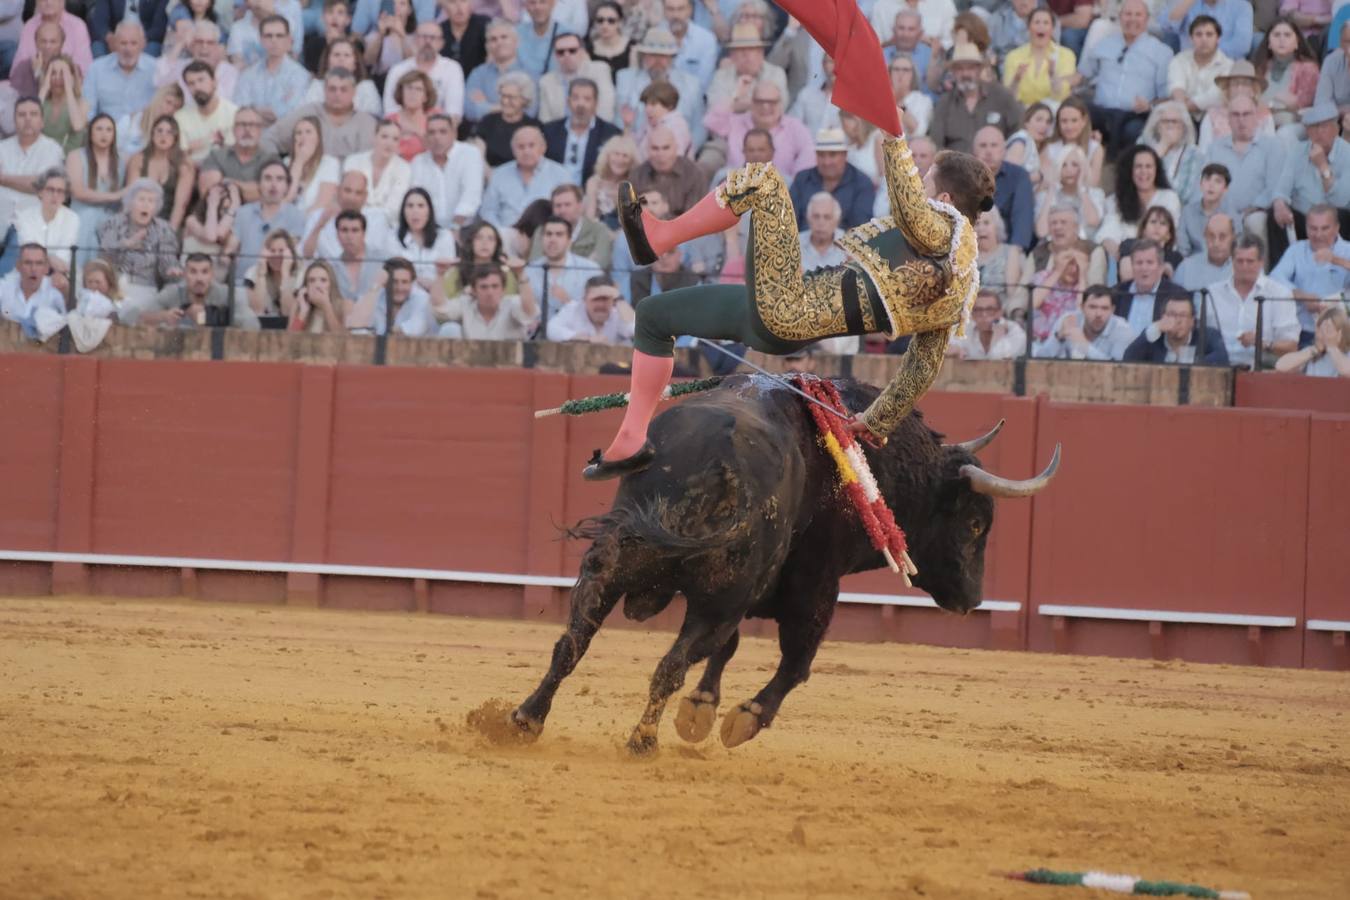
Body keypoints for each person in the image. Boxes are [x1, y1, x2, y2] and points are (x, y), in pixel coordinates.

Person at [589, 134, 994, 479]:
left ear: (944, 199)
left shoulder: (945, 229)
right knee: (654, 316)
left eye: (925, 182)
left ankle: (659, 237)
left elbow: (910, 210)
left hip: (784, 304)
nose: (919, 189)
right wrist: (875, 420)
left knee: (764, 181)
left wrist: (892, 136)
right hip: (776, 320)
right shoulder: (960, 288)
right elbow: (921, 370)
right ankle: (630, 442)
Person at [1072, 0, 1173, 160]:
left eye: (1138, 15)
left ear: (1147, 19)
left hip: (1134, 115)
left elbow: (1166, 96)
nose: (1132, 19)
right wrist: (1058, 81)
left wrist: (1149, 105)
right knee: (1075, 113)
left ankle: (1121, 168)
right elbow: (1082, 74)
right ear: (1120, 18)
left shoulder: (1161, 52)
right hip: (1102, 111)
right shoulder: (1104, 44)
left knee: (1134, 130)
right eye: (1127, 14)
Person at [1202, 235, 1300, 367]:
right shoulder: (1213, 293)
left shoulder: (1280, 293)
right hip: (1219, 367)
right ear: (1231, 260)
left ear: (1261, 262)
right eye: (1240, 261)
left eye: (1250, 261)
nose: (1244, 266)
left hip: (1263, 369)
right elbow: (1202, 337)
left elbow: (1291, 345)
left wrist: (1261, 343)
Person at [1198, 94, 1285, 240]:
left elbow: (1274, 187)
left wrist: (1252, 208)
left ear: (1256, 117)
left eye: (1246, 114)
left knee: (1256, 221)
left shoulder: (1273, 146)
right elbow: (1203, 184)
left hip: (1256, 212)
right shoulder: (1215, 148)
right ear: (1228, 119)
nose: (1241, 120)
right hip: (1219, 211)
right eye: (1235, 115)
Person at [1270, 103, 1350, 257]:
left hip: (1335, 220)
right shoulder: (1297, 151)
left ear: (1336, 129)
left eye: (1324, 127)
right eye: (1314, 127)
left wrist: (1323, 166)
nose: (1319, 132)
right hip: (1303, 217)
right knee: (1275, 215)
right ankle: (1279, 273)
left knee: (1340, 215)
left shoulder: (1347, 154)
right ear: (1307, 131)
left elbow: (1340, 200)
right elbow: (1282, 187)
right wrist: (1279, 203)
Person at [0, 97, 65, 271]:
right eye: (22, 114)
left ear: (42, 121)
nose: (27, 119)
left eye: (33, 114)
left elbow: (40, 184)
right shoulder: (2, 148)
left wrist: (3, 178)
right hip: (1, 217)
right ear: (14, 120)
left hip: (29, 226)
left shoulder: (52, 149)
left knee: (7, 271)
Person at [1269, 204, 1350, 345]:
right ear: (1306, 228)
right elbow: (1275, 278)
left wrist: (1335, 260)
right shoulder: (1296, 250)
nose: (1318, 235)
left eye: (1325, 228)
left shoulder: (1347, 250)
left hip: (1343, 331)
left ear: (1337, 228)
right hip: (1305, 331)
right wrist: (1302, 295)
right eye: (1313, 228)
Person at [95, 179, 182, 305]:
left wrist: (171, 269)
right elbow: (104, 256)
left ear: (156, 207)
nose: (146, 205)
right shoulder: (113, 223)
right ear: (130, 203)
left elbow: (167, 260)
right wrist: (127, 244)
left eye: (151, 201)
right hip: (114, 286)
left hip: (145, 288)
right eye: (141, 199)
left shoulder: (163, 229)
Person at [704, 80, 815, 178]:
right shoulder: (736, 122)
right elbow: (710, 122)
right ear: (751, 103)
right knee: (721, 176)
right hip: (737, 187)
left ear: (780, 103)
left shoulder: (794, 127)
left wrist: (796, 181)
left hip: (780, 188)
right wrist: (735, 95)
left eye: (772, 102)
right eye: (760, 102)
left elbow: (808, 153)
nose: (765, 107)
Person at [123, 252, 259, 329]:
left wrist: (213, 317)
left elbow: (253, 324)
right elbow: (130, 317)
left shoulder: (227, 294)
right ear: (184, 274)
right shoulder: (173, 292)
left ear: (212, 274)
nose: (199, 278)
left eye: (204, 272)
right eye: (193, 272)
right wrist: (163, 316)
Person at [929, 43, 1023, 154]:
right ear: (953, 72)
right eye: (960, 69)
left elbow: (1018, 132)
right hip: (957, 167)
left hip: (994, 167)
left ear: (979, 70)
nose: (965, 74)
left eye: (970, 68)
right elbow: (936, 144)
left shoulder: (1001, 96)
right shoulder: (945, 103)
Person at [266, 68, 378, 161]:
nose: (337, 94)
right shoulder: (307, 113)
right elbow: (269, 139)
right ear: (324, 90)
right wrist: (277, 169)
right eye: (332, 89)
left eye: (343, 90)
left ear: (354, 92)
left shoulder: (367, 123)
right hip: (308, 181)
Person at [227, 160, 308, 283]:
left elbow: (291, 253)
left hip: (278, 285)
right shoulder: (244, 213)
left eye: (279, 179)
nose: (273, 184)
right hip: (243, 283)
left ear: (287, 186)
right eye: (268, 178)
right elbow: (230, 249)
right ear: (258, 184)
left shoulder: (296, 215)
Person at [480, 125, 572, 231]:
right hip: (506, 236)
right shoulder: (499, 175)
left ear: (543, 147)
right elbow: (488, 211)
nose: (526, 151)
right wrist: (499, 233)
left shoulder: (561, 174)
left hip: (546, 236)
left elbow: (567, 211)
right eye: (521, 147)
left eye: (531, 145)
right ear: (513, 151)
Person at [1098, 145, 1182, 260]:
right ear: (1129, 171)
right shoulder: (1115, 200)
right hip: (1125, 258)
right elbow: (1107, 234)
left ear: (1156, 170)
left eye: (1148, 166)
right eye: (1138, 166)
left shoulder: (1169, 197)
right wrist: (1119, 255)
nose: (1143, 171)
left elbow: (1169, 235)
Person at [788, 128, 876, 231]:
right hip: (803, 243)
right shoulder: (802, 179)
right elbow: (790, 222)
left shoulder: (861, 183)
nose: (826, 162)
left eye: (832, 155)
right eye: (821, 155)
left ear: (845, 155)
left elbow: (861, 227)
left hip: (844, 244)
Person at [233, 15, 312, 127]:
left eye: (279, 36)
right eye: (268, 36)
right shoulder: (248, 75)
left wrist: (255, 110)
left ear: (289, 40)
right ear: (261, 40)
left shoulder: (300, 76)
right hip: (253, 137)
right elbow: (239, 109)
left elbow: (293, 114)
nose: (274, 40)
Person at [410, 113, 484, 231]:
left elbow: (471, 196)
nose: (437, 137)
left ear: (454, 134)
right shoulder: (418, 162)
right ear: (426, 137)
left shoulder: (470, 154)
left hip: (463, 228)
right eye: (432, 132)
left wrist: (454, 228)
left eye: (443, 132)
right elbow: (416, 199)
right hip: (428, 230)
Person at [67, 114, 126, 260]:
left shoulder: (123, 160)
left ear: (114, 134)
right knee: (88, 218)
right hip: (82, 217)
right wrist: (114, 196)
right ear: (90, 133)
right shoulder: (76, 156)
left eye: (109, 129)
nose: (104, 134)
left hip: (112, 219)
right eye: (99, 129)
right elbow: (78, 192)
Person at [543, 79, 623, 187]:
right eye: (575, 98)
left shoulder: (610, 133)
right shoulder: (550, 131)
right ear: (568, 101)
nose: (581, 104)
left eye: (587, 99)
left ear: (596, 103)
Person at [125, 115, 195, 230]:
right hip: (137, 221)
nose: (163, 136)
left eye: (169, 132)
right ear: (152, 134)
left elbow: (180, 206)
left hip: (168, 222)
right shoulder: (139, 159)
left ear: (175, 137)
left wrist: (169, 233)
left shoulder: (184, 164)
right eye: (159, 131)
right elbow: (130, 197)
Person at [382, 21, 464, 118]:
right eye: (424, 37)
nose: (428, 41)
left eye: (433, 38)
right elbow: (390, 110)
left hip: (437, 129)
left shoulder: (452, 69)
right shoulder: (398, 70)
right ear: (414, 39)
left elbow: (454, 113)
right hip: (402, 128)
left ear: (441, 43)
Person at [973, 125, 1035, 252]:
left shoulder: (1019, 176)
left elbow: (1022, 223)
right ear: (974, 151)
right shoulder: (962, 177)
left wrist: (1013, 256)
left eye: (994, 145)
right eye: (983, 146)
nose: (988, 151)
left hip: (1008, 251)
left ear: (1004, 150)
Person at [1034, 284, 1137, 360]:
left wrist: (1084, 346)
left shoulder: (1123, 330)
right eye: (1093, 307)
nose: (1098, 314)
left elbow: (1117, 371)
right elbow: (1040, 359)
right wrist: (1058, 337)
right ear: (1082, 308)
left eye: (1104, 308)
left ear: (1113, 310)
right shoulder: (1069, 319)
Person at [1253, 16, 1320, 133]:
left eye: (1287, 35)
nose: (1281, 39)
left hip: (1295, 124)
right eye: (1276, 35)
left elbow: (1304, 105)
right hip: (1262, 119)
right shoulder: (1260, 66)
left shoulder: (1308, 68)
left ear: (1297, 42)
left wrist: (1289, 102)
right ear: (1268, 43)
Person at [438, 263, 539, 340]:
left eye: (495, 286)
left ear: (503, 289)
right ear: (473, 290)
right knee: (449, 328)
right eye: (483, 287)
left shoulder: (512, 302)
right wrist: (440, 274)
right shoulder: (465, 303)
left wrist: (521, 274)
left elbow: (529, 312)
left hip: (510, 365)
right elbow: (440, 309)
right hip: (472, 364)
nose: (490, 292)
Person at [83, 21, 157, 124]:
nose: (128, 49)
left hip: (143, 135)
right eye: (123, 43)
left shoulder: (156, 69)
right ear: (114, 44)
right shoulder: (96, 69)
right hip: (108, 136)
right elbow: (88, 112)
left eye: (133, 43)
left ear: (143, 44)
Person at [339, 120, 410, 227]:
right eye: (384, 136)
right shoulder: (353, 161)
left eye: (395, 139)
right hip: (352, 221)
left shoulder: (404, 168)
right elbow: (348, 200)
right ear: (374, 137)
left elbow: (393, 209)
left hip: (387, 226)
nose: (389, 143)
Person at [1123, 293, 1229, 364]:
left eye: (1183, 315)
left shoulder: (1208, 335)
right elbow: (1128, 357)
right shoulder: (1154, 335)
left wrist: (1191, 361)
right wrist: (1155, 328)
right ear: (1163, 317)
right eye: (1172, 314)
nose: (1178, 320)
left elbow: (1222, 356)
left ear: (1192, 321)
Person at [346, 256, 439, 336]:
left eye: (404, 282)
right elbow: (354, 326)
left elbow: (411, 331)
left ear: (412, 283)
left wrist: (375, 334)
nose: (399, 288)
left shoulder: (422, 299)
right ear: (385, 283)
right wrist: (376, 285)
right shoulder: (377, 294)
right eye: (394, 282)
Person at [1002, 8, 1076, 107]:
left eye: (1046, 23)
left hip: (1053, 110)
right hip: (1023, 110)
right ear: (1028, 28)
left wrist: (1053, 75)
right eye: (1037, 22)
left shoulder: (1066, 55)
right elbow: (1009, 98)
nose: (1041, 26)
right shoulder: (1013, 56)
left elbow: (1060, 96)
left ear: (1052, 28)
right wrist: (1016, 80)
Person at [198, 106, 273, 203]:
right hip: (219, 215)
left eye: (253, 124)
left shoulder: (271, 159)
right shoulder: (216, 156)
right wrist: (255, 188)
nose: (247, 129)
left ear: (260, 130)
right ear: (233, 130)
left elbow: (271, 194)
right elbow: (209, 193)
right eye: (241, 124)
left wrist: (228, 183)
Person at [528, 183, 613, 267]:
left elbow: (600, 264)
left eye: (567, 205)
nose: (562, 210)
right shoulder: (542, 230)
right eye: (558, 205)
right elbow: (535, 264)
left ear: (580, 206)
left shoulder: (599, 230)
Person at [537, 31, 615, 123]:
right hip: (559, 133)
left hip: (597, 131)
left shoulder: (599, 70)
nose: (567, 55)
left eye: (572, 50)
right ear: (555, 55)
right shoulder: (546, 81)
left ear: (582, 52)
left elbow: (606, 109)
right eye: (560, 52)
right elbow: (545, 120)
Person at [1167, 15, 1233, 120]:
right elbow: (1177, 89)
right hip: (1183, 118)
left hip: (1213, 121)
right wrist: (1181, 106)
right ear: (1191, 39)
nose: (1204, 39)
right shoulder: (1179, 60)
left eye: (1209, 34)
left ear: (1218, 39)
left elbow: (1214, 97)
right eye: (1198, 34)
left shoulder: (1228, 66)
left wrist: (1183, 106)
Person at [628, 125, 705, 216]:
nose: (660, 154)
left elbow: (695, 216)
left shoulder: (694, 173)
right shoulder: (637, 175)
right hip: (645, 227)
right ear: (647, 150)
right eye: (655, 148)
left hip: (684, 228)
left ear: (676, 148)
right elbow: (631, 215)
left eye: (666, 148)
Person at [14, 168, 78, 275]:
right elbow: (29, 253)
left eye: (60, 191)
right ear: (40, 192)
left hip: (59, 274)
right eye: (50, 189)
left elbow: (64, 258)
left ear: (65, 196)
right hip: (28, 273)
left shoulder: (72, 219)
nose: (55, 195)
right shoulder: (24, 216)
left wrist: (45, 259)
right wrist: (50, 258)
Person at [1034, 145, 1105, 241]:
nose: (1069, 170)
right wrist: (1051, 191)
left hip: (1085, 248)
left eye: (1075, 165)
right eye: (1064, 165)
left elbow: (1093, 221)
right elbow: (1041, 232)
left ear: (1083, 168)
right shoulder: (1045, 196)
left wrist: (1081, 188)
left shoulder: (1096, 194)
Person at [474, 71, 543, 167]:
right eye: (503, 95)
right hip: (490, 176)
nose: (505, 101)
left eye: (511, 97)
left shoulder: (533, 126)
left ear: (524, 100)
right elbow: (478, 157)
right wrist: (491, 176)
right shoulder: (488, 121)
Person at [464, 19, 526, 124]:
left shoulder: (528, 73)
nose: (499, 42)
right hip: (484, 133)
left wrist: (485, 105)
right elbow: (469, 110)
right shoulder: (478, 74)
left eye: (504, 37)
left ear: (516, 42)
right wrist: (512, 106)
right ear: (487, 46)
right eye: (493, 39)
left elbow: (529, 111)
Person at [1142, 101, 1202, 207]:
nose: (1170, 126)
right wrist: (1160, 150)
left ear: (1184, 127)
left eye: (1174, 122)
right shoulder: (1143, 145)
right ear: (1157, 125)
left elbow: (1185, 195)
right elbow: (1136, 182)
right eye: (1165, 121)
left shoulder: (1194, 154)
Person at [303, 37, 382, 116]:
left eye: (347, 55)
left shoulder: (366, 86)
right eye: (336, 55)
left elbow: (373, 118)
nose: (341, 59)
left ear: (355, 63)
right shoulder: (317, 85)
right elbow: (307, 114)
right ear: (327, 61)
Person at [545, 274, 635, 343]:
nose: (600, 304)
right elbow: (551, 329)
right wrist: (586, 339)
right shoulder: (574, 308)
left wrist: (619, 298)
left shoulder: (618, 313)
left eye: (605, 299)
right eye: (596, 299)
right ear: (584, 299)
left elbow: (636, 330)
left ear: (613, 300)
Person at [394, 186, 457, 284]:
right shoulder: (393, 237)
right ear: (403, 211)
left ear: (429, 211)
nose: (415, 211)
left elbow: (448, 278)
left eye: (421, 206)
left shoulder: (444, 237)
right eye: (410, 206)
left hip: (437, 294)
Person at [284, 116, 341, 216]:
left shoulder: (329, 163)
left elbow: (323, 203)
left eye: (308, 132)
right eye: (299, 133)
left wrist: (300, 221)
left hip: (313, 220)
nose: (303, 137)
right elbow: (286, 199)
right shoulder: (286, 162)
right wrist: (299, 162)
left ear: (318, 138)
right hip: (286, 220)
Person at [1043, 96, 1104, 189]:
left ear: (1083, 121)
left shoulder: (1095, 148)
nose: (1069, 127)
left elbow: (1093, 183)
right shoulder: (1050, 147)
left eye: (1074, 120)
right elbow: (1047, 181)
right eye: (1064, 121)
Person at [0, 244, 65, 331]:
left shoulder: (55, 293)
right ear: (18, 266)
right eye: (28, 263)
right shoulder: (5, 286)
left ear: (46, 268)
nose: (33, 269)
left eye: (39, 263)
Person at [948, 288, 1027, 359]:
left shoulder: (1014, 331)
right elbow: (945, 348)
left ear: (999, 313)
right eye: (978, 310)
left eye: (990, 310)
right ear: (972, 314)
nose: (984, 315)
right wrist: (956, 350)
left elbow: (997, 359)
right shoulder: (966, 328)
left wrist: (996, 337)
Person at [1162, 0, 1253, 60]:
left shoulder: (1242, 6)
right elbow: (1167, 27)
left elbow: (1242, 46)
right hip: (1190, 65)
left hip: (1226, 66)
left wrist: (1206, 54)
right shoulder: (1186, 4)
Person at [583, 134, 639, 230]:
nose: (620, 160)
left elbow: (630, 222)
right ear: (607, 157)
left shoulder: (633, 184)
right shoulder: (594, 182)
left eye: (625, 156)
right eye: (616, 154)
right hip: (597, 231)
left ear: (631, 161)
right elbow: (590, 217)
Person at [1274, 306, 1350, 376]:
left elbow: (1346, 371)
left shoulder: (1347, 354)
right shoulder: (1312, 353)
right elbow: (1280, 367)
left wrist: (1332, 347)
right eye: (1321, 329)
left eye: (1329, 329)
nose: (1324, 334)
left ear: (1341, 333)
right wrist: (1315, 349)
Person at [976, 208, 1025, 315]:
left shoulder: (1011, 252)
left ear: (996, 226)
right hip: (972, 313)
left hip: (1000, 312)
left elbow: (1012, 292)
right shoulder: (967, 256)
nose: (980, 228)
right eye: (977, 224)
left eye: (986, 223)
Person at [243, 229, 302, 318]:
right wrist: (262, 273)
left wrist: (285, 274)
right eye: (272, 251)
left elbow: (288, 312)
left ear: (290, 253)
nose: (276, 255)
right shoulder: (252, 273)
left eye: (281, 251)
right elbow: (258, 310)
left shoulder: (301, 274)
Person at [1175, 211, 1236, 291]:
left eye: (1222, 237)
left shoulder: (1244, 267)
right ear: (1205, 236)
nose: (1216, 243)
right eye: (1211, 236)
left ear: (1233, 238)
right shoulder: (1186, 268)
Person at [289, 260, 347, 332]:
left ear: (331, 284)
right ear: (306, 285)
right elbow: (289, 339)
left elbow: (342, 340)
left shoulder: (343, 305)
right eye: (312, 280)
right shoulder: (297, 305)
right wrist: (303, 312)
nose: (317, 285)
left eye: (323, 280)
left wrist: (326, 306)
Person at [1005, 103, 1053, 188]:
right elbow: (1010, 180)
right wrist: (1040, 176)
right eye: (1039, 120)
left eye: (1048, 121)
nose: (1044, 125)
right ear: (1026, 122)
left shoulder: (1036, 145)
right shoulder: (1020, 142)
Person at [585, 2, 631, 83]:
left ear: (620, 22)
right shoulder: (588, 49)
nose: (605, 25)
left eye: (611, 21)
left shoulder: (632, 47)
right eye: (600, 20)